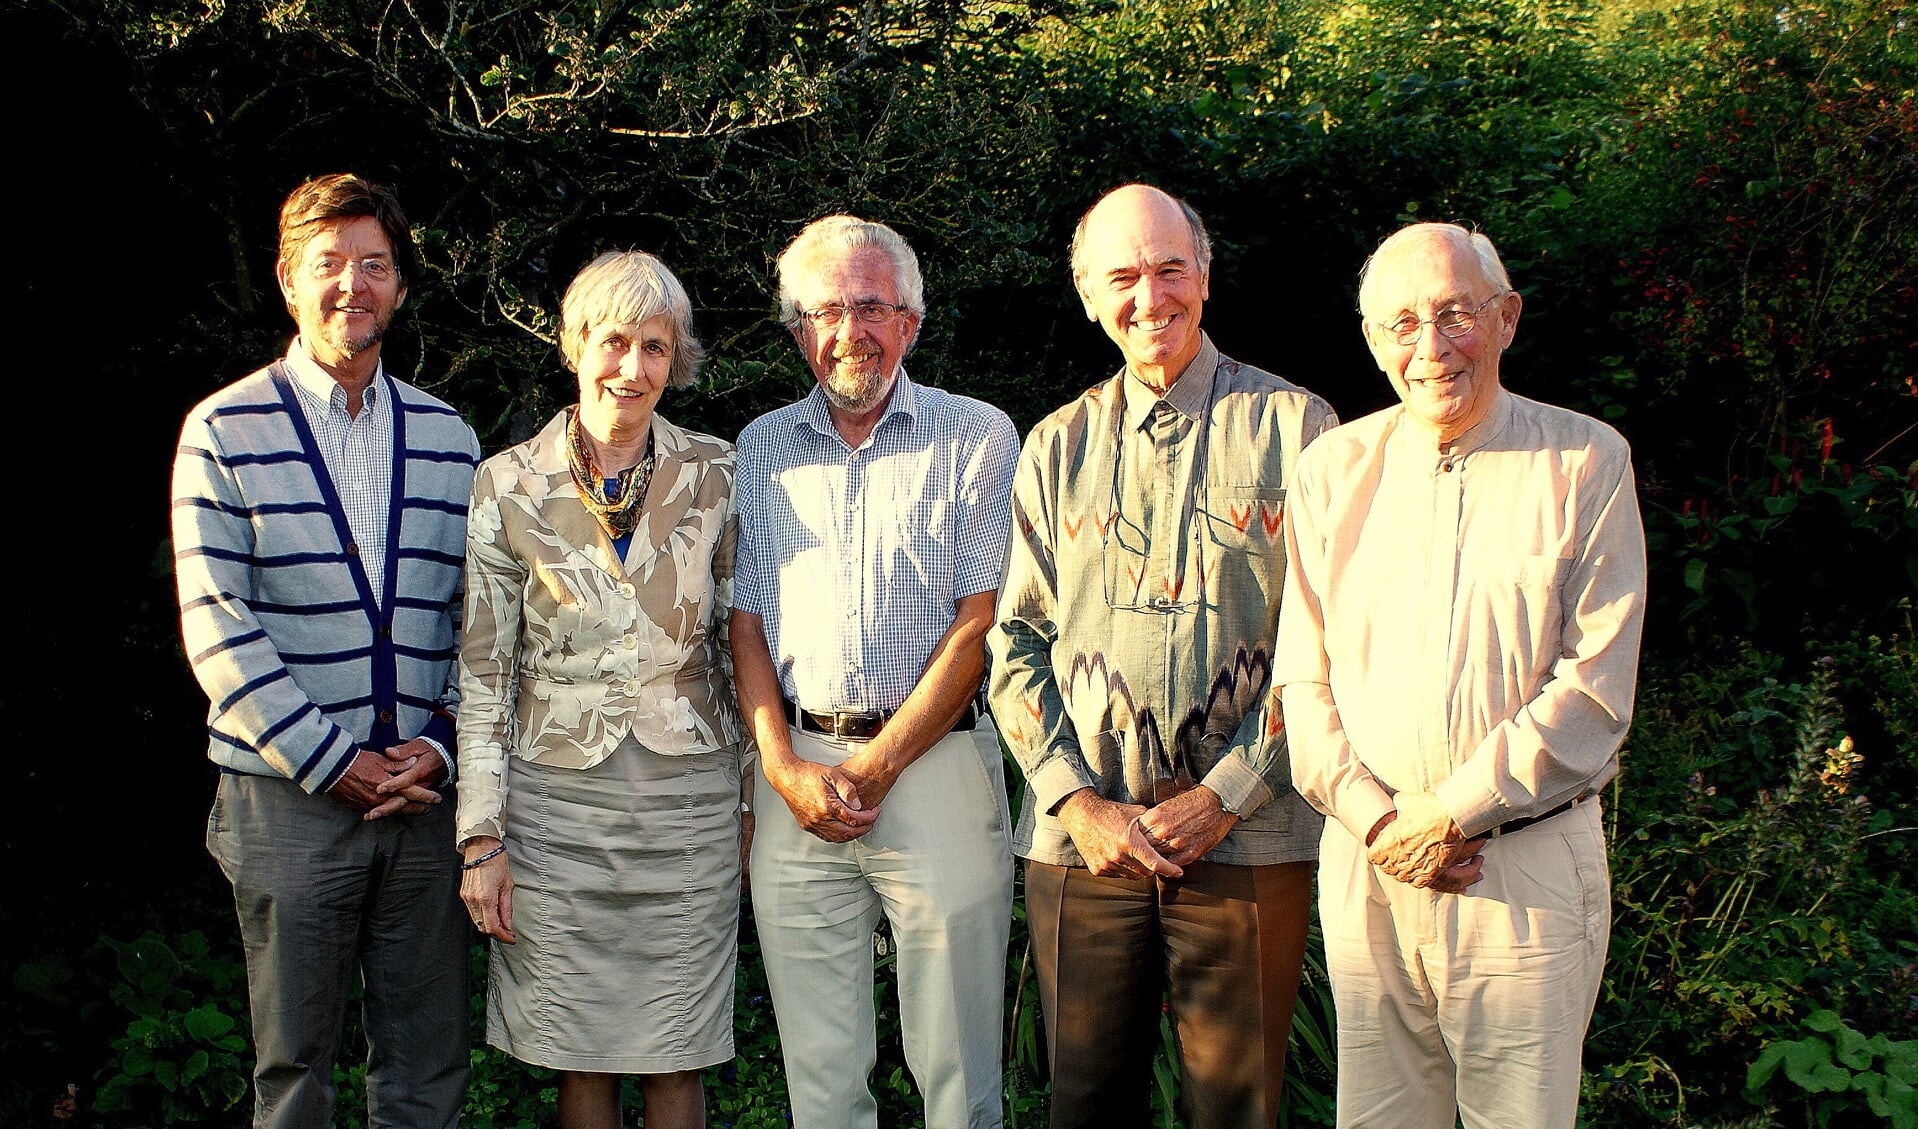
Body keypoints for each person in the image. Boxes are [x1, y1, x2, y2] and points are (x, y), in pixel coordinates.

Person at [1275, 222, 1647, 1128]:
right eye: (1402, 324)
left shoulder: (1586, 461)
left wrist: (1447, 817)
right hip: (1370, 866)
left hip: (1517, 870)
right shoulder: (1331, 471)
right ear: (1372, 341)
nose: (1431, 347)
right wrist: (1380, 822)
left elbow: (1595, 688)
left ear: (1507, 318)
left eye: (1456, 315)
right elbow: (1302, 678)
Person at [986, 183, 1338, 1129]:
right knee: (1086, 1104)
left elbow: (1329, 639)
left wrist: (1229, 793)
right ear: (1089, 297)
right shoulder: (1055, 444)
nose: (1151, 297)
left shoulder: (1299, 430)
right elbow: (1013, 642)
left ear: (1207, 276)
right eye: (1124, 277)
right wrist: (1077, 801)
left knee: (1237, 1105)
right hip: (1083, 846)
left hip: (1250, 835)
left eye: (1170, 269)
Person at [172, 172, 479, 1129]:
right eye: (330, 264)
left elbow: (487, 620)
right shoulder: (222, 429)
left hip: (424, 800)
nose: (354, 284)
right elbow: (216, 625)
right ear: (287, 279)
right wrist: (334, 761)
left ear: (399, 285)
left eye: (375, 265)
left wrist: (441, 741)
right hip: (286, 799)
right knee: (294, 1071)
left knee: (426, 1070)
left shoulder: (450, 437)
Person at [730, 214, 1020, 1129]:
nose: (847, 330)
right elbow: (745, 621)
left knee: (958, 1065)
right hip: (797, 776)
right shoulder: (760, 446)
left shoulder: (976, 434)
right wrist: (779, 766)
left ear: (910, 323)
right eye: (823, 311)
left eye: (870, 306)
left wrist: (877, 765)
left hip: (933, 764)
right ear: (796, 331)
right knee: (819, 1072)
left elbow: (980, 627)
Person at [453, 250, 747, 1129]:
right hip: (555, 808)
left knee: (678, 1050)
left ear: (676, 359)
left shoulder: (720, 472)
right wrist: (480, 834)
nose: (633, 367)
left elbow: (742, 649)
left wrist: (750, 804)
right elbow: (482, 672)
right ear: (576, 345)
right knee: (577, 1051)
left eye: (655, 346)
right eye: (614, 341)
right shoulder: (507, 482)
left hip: (689, 803)